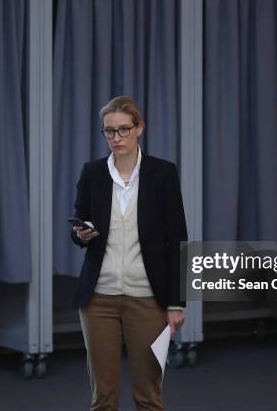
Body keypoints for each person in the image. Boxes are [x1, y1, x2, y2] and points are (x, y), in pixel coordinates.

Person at [71, 95, 188, 410]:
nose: (116, 138)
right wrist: (80, 234)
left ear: (140, 129)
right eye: (109, 132)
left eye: (123, 130)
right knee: (103, 398)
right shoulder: (92, 173)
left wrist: (177, 302)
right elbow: (78, 226)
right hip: (98, 299)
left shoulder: (162, 173)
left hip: (148, 299)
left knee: (148, 396)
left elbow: (177, 239)